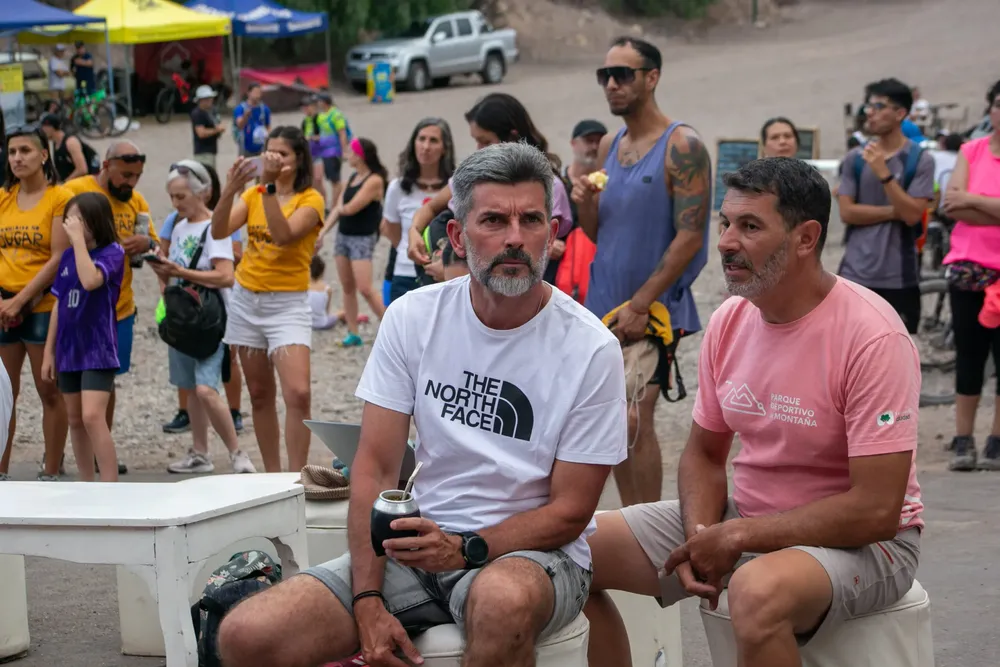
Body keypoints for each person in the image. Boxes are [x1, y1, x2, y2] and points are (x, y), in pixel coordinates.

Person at [216, 140, 628, 667]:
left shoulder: (590, 347)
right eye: (494, 220)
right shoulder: (414, 316)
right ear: (456, 235)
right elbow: (374, 466)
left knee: (500, 605)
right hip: (418, 545)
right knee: (247, 634)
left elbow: (571, 512)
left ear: (551, 234)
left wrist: (465, 546)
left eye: (530, 220)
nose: (515, 238)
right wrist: (368, 600)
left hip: (535, 556)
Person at [585, 157, 923, 667]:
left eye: (749, 226)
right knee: (570, 553)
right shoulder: (731, 319)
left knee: (756, 592)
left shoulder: (873, 335)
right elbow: (703, 454)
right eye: (725, 223)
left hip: (870, 545)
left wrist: (740, 536)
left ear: (806, 238)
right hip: (745, 517)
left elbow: (876, 510)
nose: (724, 242)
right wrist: (703, 535)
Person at [571, 36, 712, 506]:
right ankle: (634, 521)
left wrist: (642, 302)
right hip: (604, 304)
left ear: (652, 78)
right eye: (605, 76)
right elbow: (600, 232)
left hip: (652, 309)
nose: (611, 84)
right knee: (612, 420)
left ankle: (648, 524)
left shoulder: (682, 145)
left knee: (634, 416)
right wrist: (585, 204)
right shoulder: (610, 145)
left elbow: (690, 236)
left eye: (622, 74)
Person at [211, 126, 324, 473]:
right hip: (247, 301)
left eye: (282, 154)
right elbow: (218, 230)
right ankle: (272, 478)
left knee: (298, 394)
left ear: (299, 159)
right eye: (269, 152)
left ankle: (296, 477)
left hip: (287, 304)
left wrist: (269, 186)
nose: (274, 158)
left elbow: (283, 235)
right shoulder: (253, 195)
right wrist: (230, 188)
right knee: (259, 394)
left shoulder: (311, 200)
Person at [152, 161, 256, 475]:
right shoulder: (178, 226)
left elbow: (225, 276)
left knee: (205, 389)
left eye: (181, 196)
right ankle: (200, 452)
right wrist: (163, 269)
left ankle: (238, 453)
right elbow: (176, 269)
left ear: (203, 193)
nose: (175, 203)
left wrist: (179, 272)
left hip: (211, 319)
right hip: (184, 316)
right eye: (172, 196)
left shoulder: (215, 227)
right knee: (190, 387)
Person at [65, 140, 159, 475]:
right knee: (70, 389)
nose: (131, 183)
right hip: (77, 310)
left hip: (118, 311)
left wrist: (147, 242)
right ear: (106, 166)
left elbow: (155, 245)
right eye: (126, 175)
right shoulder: (75, 191)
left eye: (137, 176)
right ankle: (75, 453)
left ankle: (101, 445)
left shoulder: (136, 202)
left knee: (106, 380)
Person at [405, 94, 574, 276]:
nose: (479, 149)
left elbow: (531, 256)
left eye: (486, 141)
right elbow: (430, 208)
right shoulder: (472, 176)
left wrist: (451, 274)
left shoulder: (546, 185)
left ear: (512, 137)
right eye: (476, 141)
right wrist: (414, 232)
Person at [0, 125, 71, 481]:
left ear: (44, 155)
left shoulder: (60, 197)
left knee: (49, 389)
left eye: (25, 151)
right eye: (12, 152)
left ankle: (51, 471)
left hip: (42, 306)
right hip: (3, 305)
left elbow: (58, 256)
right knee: (3, 393)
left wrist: (21, 300)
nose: (17, 158)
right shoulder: (3, 197)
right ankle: (1, 471)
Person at [837, 78, 935, 334]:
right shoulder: (855, 158)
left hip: (899, 275)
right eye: (868, 106)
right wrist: (895, 211)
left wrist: (884, 175)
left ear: (900, 113)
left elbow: (912, 216)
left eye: (879, 106)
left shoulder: (920, 160)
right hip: (854, 272)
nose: (870, 112)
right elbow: (847, 212)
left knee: (896, 349)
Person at [42, 192, 126, 482]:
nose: (72, 225)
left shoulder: (113, 252)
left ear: (96, 221)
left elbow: (91, 281)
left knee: (92, 416)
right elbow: (58, 303)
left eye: (79, 219)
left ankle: (109, 485)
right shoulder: (67, 257)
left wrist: (78, 242)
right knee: (75, 420)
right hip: (68, 348)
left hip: (97, 347)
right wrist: (49, 352)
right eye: (69, 219)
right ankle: (86, 484)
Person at [938, 78, 1000, 471]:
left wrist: (974, 201)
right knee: (969, 355)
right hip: (968, 269)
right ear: (989, 109)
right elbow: (952, 206)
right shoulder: (970, 151)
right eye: (999, 103)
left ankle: (997, 441)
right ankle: (963, 439)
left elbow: (964, 202)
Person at [317, 137, 387, 347]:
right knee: (347, 287)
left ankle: (391, 326)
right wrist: (322, 232)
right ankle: (353, 332)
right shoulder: (352, 178)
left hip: (362, 238)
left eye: (351, 152)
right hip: (343, 236)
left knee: (365, 288)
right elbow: (338, 209)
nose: (348, 155)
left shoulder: (374, 180)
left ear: (361, 155)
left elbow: (350, 208)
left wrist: (340, 208)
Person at [381, 117, 456, 301]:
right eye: (421, 139)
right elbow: (390, 229)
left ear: (445, 148)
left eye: (433, 140)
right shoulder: (397, 187)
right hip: (405, 273)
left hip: (444, 273)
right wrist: (411, 247)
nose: (426, 146)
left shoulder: (455, 186)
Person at [549, 119, 608, 285]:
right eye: (589, 140)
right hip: (558, 276)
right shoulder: (556, 184)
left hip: (597, 275)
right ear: (573, 143)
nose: (594, 146)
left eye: (599, 142)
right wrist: (547, 243)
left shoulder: (610, 187)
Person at [40, 113, 100, 183]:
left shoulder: (70, 142)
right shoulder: (55, 143)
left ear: (51, 127)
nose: (42, 131)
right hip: (72, 181)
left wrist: (64, 184)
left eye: (43, 128)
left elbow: (82, 170)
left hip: (88, 181)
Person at [315, 94, 351, 206]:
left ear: (324, 102)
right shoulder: (321, 116)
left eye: (319, 101)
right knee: (331, 180)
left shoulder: (336, 115)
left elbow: (342, 133)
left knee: (335, 181)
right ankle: (335, 204)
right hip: (324, 152)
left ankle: (335, 206)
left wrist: (344, 151)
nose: (317, 104)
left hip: (334, 151)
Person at [191, 85, 225, 170]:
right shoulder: (197, 114)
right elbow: (201, 133)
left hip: (211, 150)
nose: (210, 100)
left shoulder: (211, 111)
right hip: (203, 152)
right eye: (207, 99)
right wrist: (217, 130)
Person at [233, 82, 271, 158]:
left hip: (261, 146)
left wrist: (268, 137)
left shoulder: (265, 109)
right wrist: (245, 116)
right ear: (248, 93)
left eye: (259, 93)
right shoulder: (240, 108)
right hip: (245, 146)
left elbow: (268, 126)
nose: (257, 95)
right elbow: (239, 126)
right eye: (255, 92)